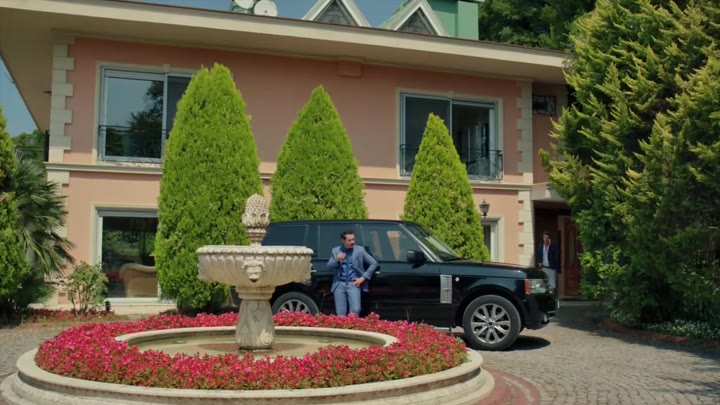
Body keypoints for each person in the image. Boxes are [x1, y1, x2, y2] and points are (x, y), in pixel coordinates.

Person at [327, 230, 378, 316]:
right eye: (349, 240)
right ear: (343, 240)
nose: (352, 242)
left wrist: (363, 277)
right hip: (339, 284)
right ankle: (342, 324)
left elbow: (374, 263)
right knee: (340, 312)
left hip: (353, 283)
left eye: (353, 239)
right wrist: (337, 259)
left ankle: (352, 322)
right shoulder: (336, 251)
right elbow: (329, 266)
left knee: (356, 309)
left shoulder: (359, 250)